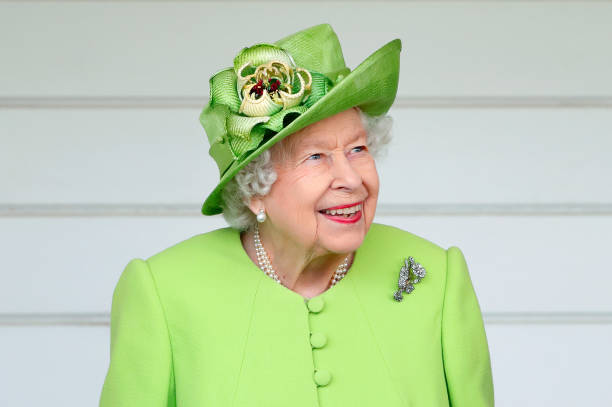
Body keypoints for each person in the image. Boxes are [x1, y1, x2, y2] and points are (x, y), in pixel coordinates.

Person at [99, 23, 494, 406]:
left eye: (358, 149)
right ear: (255, 188)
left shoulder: (437, 276)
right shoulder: (164, 292)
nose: (351, 179)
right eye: (316, 157)